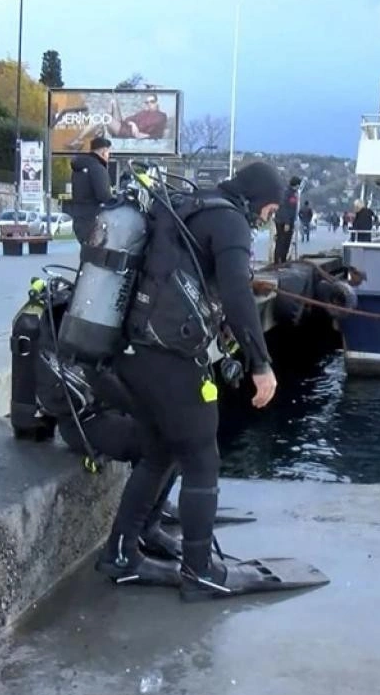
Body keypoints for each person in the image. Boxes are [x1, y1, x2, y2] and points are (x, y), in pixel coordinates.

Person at [96, 161, 283, 600]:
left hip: (133, 350)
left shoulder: (190, 205)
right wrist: (260, 363)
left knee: (160, 450)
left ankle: (125, 549)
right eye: (271, 210)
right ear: (258, 199)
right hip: (170, 354)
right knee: (202, 457)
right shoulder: (231, 221)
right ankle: (199, 571)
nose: (268, 219)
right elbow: (237, 293)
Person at [68, 137, 113, 243]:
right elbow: (104, 195)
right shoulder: (97, 168)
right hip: (94, 218)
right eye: (108, 153)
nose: (108, 156)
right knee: (97, 254)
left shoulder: (79, 168)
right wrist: (115, 200)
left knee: (87, 252)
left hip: (79, 217)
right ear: (103, 152)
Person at [273, 176, 301, 264]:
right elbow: (285, 208)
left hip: (287, 220)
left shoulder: (293, 193)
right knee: (282, 241)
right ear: (296, 185)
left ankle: (283, 260)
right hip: (283, 221)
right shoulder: (287, 193)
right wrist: (287, 222)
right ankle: (278, 261)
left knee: (286, 241)